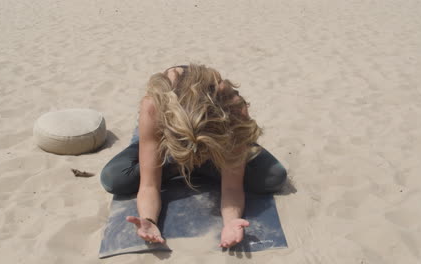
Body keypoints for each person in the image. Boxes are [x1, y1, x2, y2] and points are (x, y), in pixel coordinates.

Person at [100, 64, 287, 248]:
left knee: (273, 177)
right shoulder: (154, 106)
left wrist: (232, 220)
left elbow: (232, 187)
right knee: (114, 178)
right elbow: (149, 185)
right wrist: (149, 219)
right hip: (170, 149)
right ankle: (179, 160)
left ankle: (190, 160)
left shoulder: (232, 108)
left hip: (215, 146)